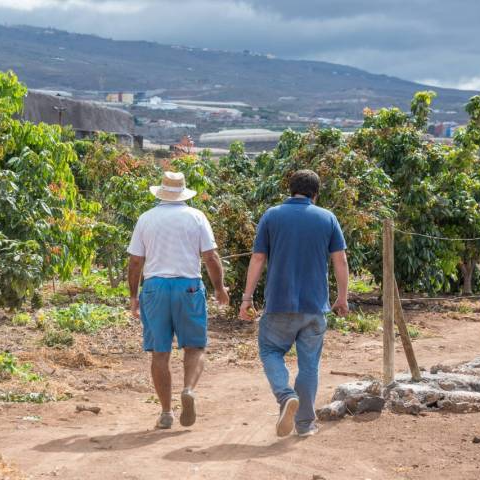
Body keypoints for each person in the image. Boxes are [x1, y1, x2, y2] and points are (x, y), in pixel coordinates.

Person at [239, 169, 349, 438]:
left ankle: (285, 395)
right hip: (315, 306)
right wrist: (342, 297)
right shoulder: (327, 218)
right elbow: (340, 260)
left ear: (291, 190)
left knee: (270, 351)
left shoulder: (272, 215)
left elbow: (257, 258)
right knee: (309, 365)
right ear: (316, 193)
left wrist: (246, 298)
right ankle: (304, 425)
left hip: (279, 303)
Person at [128, 171, 230, 429]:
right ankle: (188, 389)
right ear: (184, 192)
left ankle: (165, 413)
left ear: (161, 192)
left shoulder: (146, 219)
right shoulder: (196, 217)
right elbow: (210, 257)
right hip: (189, 286)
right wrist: (219, 288)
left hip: (154, 287)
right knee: (195, 347)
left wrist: (133, 296)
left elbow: (135, 261)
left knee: (159, 353)